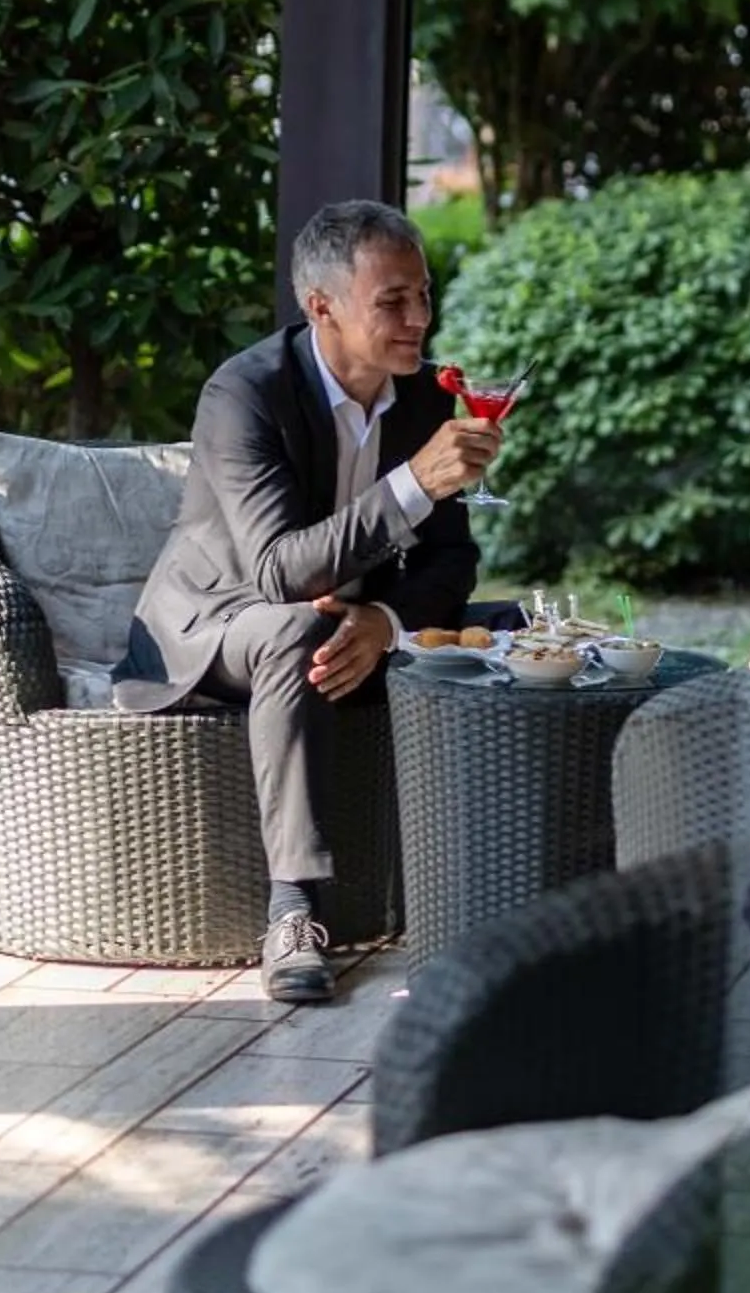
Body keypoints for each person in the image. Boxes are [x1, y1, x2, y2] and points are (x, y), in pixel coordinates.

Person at [112, 201, 501, 1004]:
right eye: (392, 301)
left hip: (349, 615)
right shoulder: (245, 393)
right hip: (217, 622)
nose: (418, 318)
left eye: (423, 295)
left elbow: (453, 556)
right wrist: (415, 483)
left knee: (524, 629)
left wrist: (386, 622)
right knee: (298, 633)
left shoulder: (427, 397)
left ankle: (499, 889)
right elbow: (280, 570)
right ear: (321, 307)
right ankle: (295, 910)